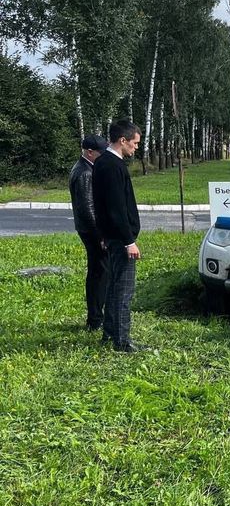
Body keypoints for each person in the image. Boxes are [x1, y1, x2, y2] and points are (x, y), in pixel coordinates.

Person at [92, 120, 143, 353]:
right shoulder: (113, 166)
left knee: (113, 287)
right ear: (122, 140)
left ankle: (110, 333)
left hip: (111, 236)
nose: (136, 147)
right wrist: (129, 241)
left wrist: (104, 234)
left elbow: (100, 205)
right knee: (123, 290)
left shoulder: (102, 162)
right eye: (134, 143)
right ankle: (121, 341)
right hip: (120, 239)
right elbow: (115, 208)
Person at [69, 134, 109, 331]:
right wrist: (101, 235)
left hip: (89, 229)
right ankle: (95, 318)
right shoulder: (85, 173)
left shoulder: (85, 167)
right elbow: (87, 209)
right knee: (99, 272)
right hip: (92, 232)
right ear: (90, 152)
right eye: (101, 153)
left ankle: (96, 316)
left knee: (99, 271)